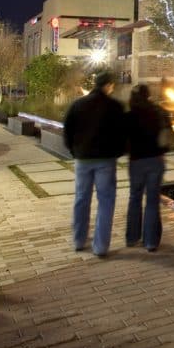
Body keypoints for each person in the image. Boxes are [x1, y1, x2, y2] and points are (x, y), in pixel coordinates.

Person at [64, 71, 126, 257]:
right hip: (106, 160)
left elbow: (68, 131)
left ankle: (79, 239)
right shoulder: (114, 106)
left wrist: (75, 151)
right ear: (107, 85)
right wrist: (117, 152)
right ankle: (100, 246)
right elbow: (122, 133)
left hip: (83, 159)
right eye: (112, 85)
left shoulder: (78, 104)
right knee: (106, 201)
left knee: (81, 199)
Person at [125, 84, 172, 252]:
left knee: (134, 198)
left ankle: (132, 238)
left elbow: (123, 139)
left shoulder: (129, 115)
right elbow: (169, 136)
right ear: (148, 95)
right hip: (156, 160)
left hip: (136, 161)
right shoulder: (159, 112)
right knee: (152, 200)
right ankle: (151, 242)